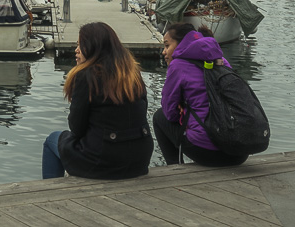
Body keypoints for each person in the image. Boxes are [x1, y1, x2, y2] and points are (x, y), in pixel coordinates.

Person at [42, 22, 154, 179]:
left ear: (94, 47)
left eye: (81, 45)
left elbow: (77, 128)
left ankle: (51, 194)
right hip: (140, 160)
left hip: (103, 161)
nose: (76, 50)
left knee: (52, 140)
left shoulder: (86, 77)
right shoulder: (133, 74)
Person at [153, 23, 249, 167]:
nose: (164, 52)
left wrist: (182, 110)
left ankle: (173, 168)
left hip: (209, 154)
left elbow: (169, 114)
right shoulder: (221, 60)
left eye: (167, 46)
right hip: (240, 152)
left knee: (159, 117)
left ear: (181, 45)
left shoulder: (178, 65)